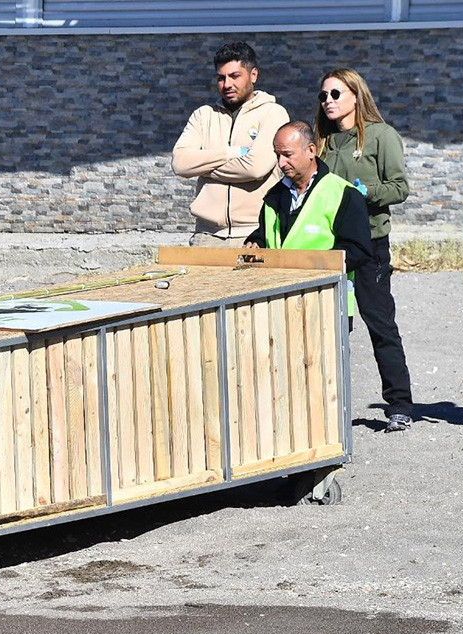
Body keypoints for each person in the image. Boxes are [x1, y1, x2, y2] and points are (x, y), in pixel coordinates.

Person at [315, 68, 414, 433]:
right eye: (323, 95)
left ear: (356, 96)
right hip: (330, 247)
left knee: (380, 323)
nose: (328, 101)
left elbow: (399, 187)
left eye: (336, 94)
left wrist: (364, 193)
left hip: (370, 245)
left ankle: (400, 405)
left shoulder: (381, 136)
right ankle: (326, 409)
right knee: (332, 328)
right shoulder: (321, 142)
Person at [245, 121, 371, 312]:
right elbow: (267, 234)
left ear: (311, 150)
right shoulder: (274, 195)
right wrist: (255, 242)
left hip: (327, 303)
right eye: (277, 155)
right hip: (279, 300)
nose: (280, 163)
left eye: (287, 155)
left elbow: (358, 250)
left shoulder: (343, 193)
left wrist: (312, 267)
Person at [172, 41, 289, 246]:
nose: (227, 85)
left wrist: (203, 167)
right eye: (221, 78)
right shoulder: (203, 115)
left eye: (235, 76)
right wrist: (231, 153)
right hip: (206, 236)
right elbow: (180, 164)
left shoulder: (273, 113)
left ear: (253, 75)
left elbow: (255, 168)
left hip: (254, 234)